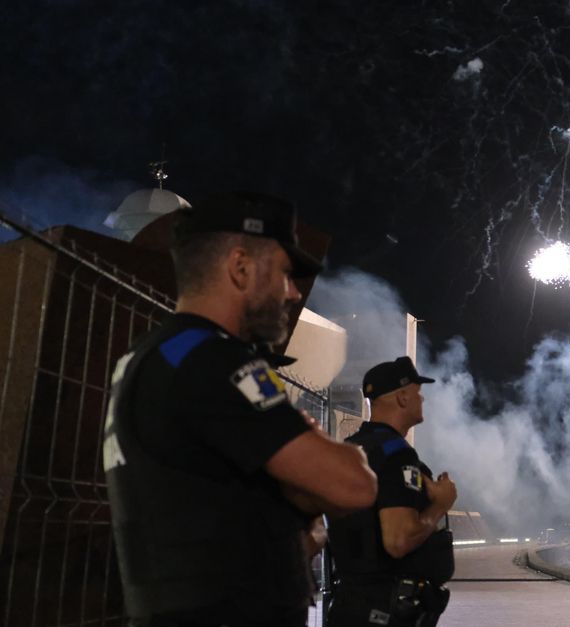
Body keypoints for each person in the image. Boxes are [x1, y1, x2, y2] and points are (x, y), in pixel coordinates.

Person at [103, 191, 378, 626]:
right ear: (240, 267)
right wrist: (334, 465)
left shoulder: (158, 353)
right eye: (286, 274)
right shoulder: (213, 361)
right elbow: (354, 485)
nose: (292, 293)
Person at [327, 357, 458, 627]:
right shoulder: (397, 456)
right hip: (384, 608)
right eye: (418, 393)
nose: (423, 400)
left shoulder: (352, 449)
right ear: (402, 398)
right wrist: (440, 506)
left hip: (349, 602)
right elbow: (399, 540)